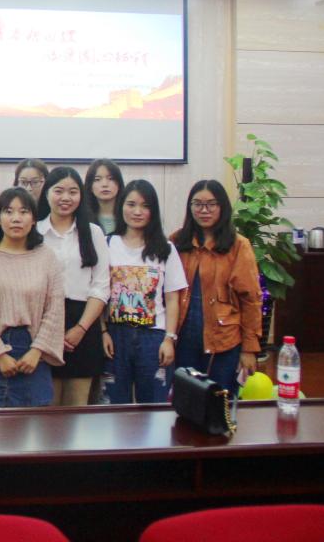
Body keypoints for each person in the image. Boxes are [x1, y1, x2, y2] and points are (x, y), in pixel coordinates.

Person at [0, 186, 64, 408]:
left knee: (33, 427)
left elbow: (55, 310)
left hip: (34, 353)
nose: (16, 218)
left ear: (34, 219)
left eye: (24, 211)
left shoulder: (47, 257)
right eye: (8, 211)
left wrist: (36, 351)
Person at [170, 179, 262, 396]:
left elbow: (251, 299)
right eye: (198, 204)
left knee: (220, 404)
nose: (204, 210)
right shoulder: (176, 241)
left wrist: (249, 348)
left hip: (224, 341)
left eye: (211, 204)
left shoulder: (239, 245)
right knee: (187, 401)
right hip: (183, 339)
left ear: (223, 207)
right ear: (190, 207)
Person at [103, 179, 188, 403]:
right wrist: (103, 332)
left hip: (153, 338)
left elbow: (172, 299)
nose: (137, 212)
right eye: (131, 204)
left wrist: (169, 339)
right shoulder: (107, 244)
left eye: (145, 206)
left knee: (154, 408)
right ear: (121, 206)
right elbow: (98, 293)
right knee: (113, 408)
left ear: (153, 211)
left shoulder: (165, 248)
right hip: (115, 336)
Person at [35, 167, 110, 407]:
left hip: (83, 325)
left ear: (81, 195)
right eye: (59, 191)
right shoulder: (35, 232)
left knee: (77, 411)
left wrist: (80, 328)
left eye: (73, 192)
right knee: (46, 409)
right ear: (47, 193)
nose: (65, 198)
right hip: (42, 324)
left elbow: (101, 286)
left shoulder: (94, 233)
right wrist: (47, 332)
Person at [84, 158, 125, 235]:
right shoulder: (83, 218)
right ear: (90, 186)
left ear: (119, 184)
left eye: (111, 178)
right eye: (97, 179)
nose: (105, 184)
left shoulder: (128, 217)